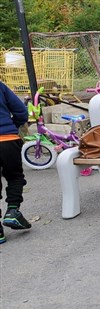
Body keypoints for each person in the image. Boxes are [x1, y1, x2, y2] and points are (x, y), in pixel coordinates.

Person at [0, 81, 31, 244]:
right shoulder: (0, 86)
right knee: (15, 176)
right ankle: (13, 211)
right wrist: (14, 126)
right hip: (7, 139)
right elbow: (20, 110)